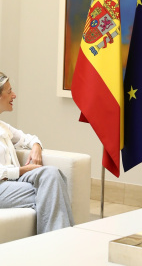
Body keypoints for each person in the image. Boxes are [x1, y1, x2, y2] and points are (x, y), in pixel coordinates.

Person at [0, 72, 74, 233]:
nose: (14, 95)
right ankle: (63, 242)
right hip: (4, 183)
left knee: (53, 174)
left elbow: (29, 138)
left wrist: (36, 147)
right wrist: (21, 170)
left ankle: (58, 242)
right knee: (54, 193)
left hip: (14, 180)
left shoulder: (3, 126)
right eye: (9, 91)